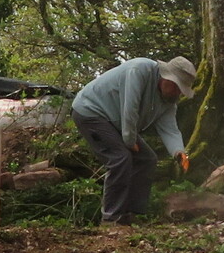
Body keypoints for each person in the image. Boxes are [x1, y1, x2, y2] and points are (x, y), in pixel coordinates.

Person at [69, 54, 197, 225]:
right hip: (91, 111)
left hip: (117, 122)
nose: (177, 92)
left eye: (180, 89)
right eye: (175, 86)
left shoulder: (169, 101)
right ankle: (110, 219)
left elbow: (170, 129)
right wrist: (129, 141)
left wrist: (179, 152)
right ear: (166, 77)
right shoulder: (139, 70)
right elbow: (130, 109)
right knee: (120, 158)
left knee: (147, 159)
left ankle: (130, 215)